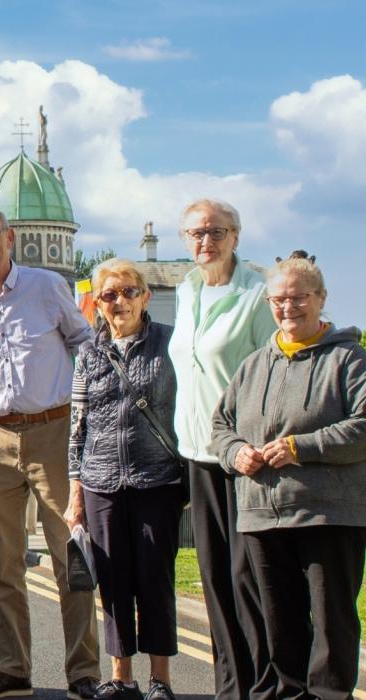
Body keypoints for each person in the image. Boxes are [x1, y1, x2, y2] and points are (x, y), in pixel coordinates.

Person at [0, 204, 100, 699]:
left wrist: (88, 422)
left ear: (10, 238)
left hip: (54, 431)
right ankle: (12, 671)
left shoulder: (47, 286)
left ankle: (84, 673)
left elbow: (85, 343)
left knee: (71, 555)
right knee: (4, 564)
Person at [211, 253, 366, 699]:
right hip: (262, 516)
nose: (287, 307)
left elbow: (362, 426)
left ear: (321, 298)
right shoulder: (254, 364)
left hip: (328, 515)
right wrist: (235, 452)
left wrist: (301, 447)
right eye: (278, 300)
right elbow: (221, 425)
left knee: (331, 623)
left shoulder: (349, 359)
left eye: (299, 298)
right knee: (279, 624)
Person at [166, 198, 274, 699]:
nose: (205, 241)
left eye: (216, 231)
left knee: (250, 579)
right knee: (215, 579)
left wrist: (255, 444)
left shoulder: (257, 294)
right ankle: (230, 687)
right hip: (198, 455)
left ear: (235, 236)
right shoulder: (187, 290)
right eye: (196, 233)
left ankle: (265, 685)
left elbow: (273, 374)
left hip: (245, 458)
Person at [63, 259, 183, 700]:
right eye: (109, 295)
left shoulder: (169, 344)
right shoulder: (89, 354)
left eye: (129, 291)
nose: (120, 302)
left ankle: (160, 680)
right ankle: (121, 677)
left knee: (155, 580)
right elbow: (78, 427)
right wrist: (75, 495)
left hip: (157, 481)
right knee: (113, 584)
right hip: (101, 483)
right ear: (97, 303)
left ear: (145, 297)